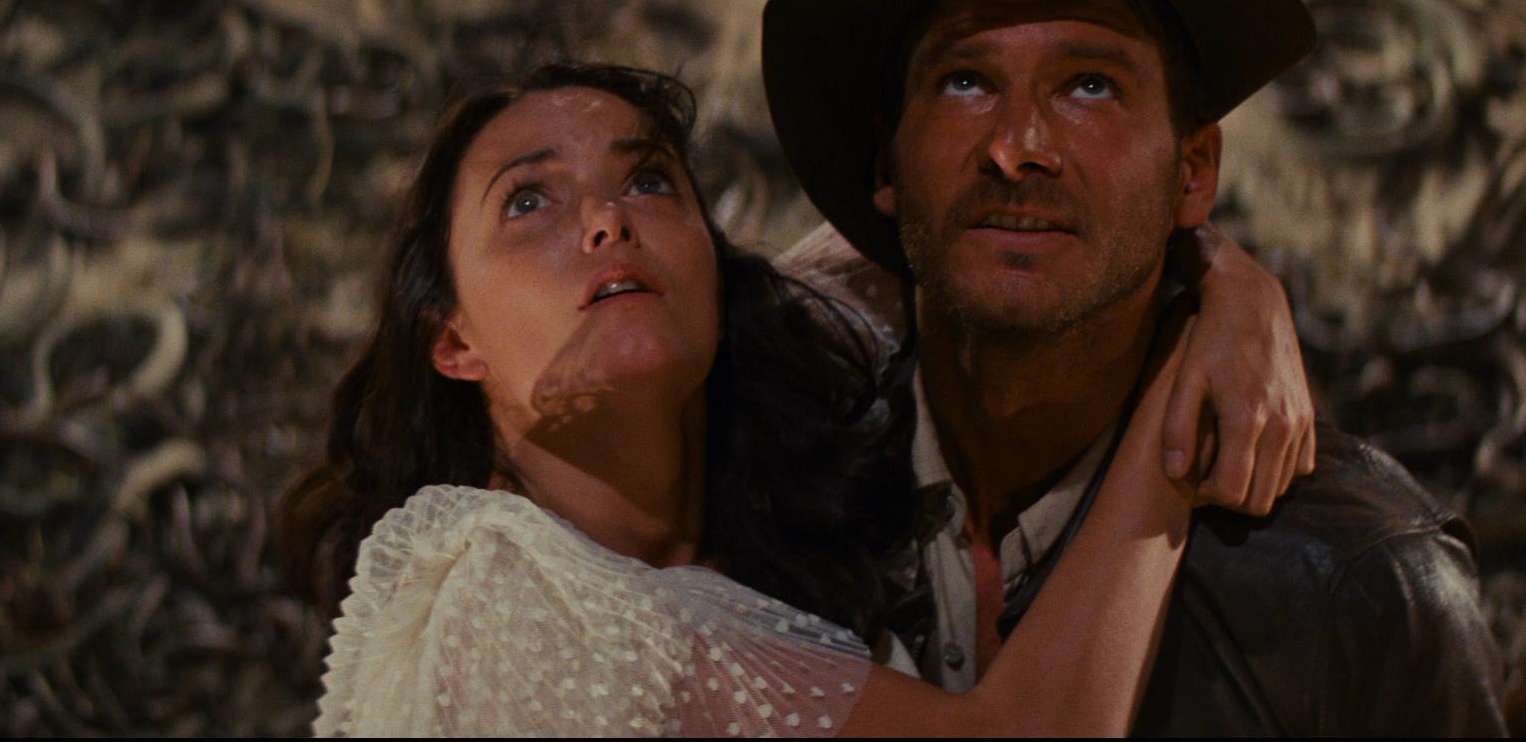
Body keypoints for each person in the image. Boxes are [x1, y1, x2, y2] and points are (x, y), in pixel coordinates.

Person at [276, 61, 1306, 736]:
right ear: (453, 340)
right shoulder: (496, 598)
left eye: (649, 182)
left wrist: (1232, 279)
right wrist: (1189, 377)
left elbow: (983, 224)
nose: (606, 221)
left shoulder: (749, 434)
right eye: (530, 200)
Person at [762, 0, 1511, 735]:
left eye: (1090, 86)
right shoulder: (769, 500)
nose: (1017, 147)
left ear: (1194, 172)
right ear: (885, 163)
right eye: (965, 81)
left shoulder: (1358, 583)